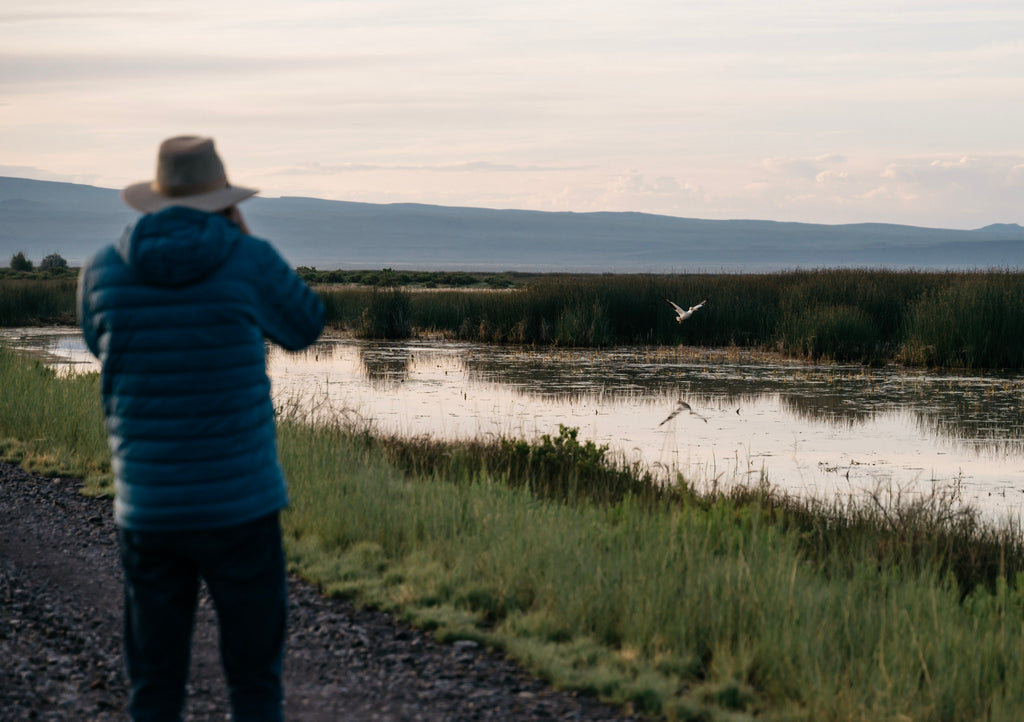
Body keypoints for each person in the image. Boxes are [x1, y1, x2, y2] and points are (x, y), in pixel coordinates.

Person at [77, 135, 325, 721]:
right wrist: (243, 241)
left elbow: (98, 346)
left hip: (149, 505)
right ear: (223, 198)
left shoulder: (102, 269)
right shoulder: (247, 257)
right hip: (241, 503)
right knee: (254, 682)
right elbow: (305, 326)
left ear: (155, 199)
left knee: (155, 684)